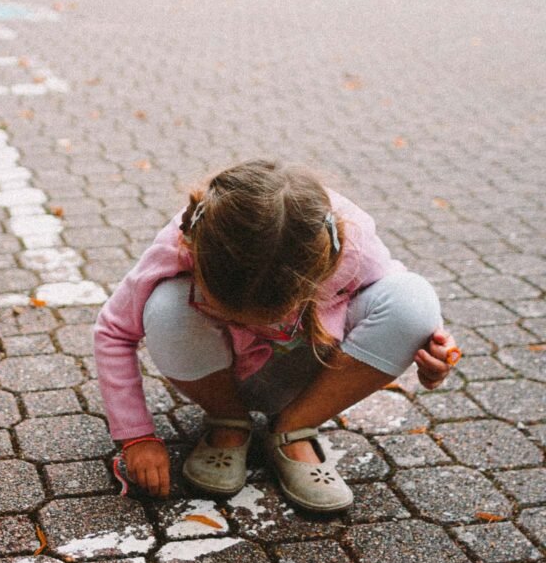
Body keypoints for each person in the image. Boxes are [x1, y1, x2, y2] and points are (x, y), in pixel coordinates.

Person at [94, 159, 458, 512]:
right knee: (165, 303)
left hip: (307, 374)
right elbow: (113, 330)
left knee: (414, 300)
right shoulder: (187, 239)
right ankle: (229, 420)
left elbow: (393, 292)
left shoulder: (350, 239)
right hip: (223, 375)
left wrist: (429, 347)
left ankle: (293, 430)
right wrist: (136, 436)